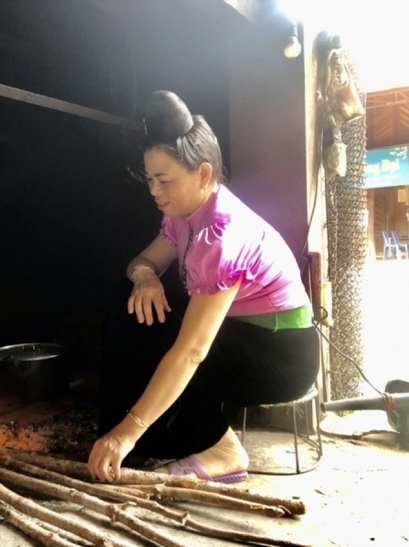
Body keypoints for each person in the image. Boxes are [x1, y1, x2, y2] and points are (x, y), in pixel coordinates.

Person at [87, 90, 320, 483]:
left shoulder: (220, 235)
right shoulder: (183, 212)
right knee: (130, 304)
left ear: (204, 174)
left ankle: (220, 446)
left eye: (164, 180)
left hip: (281, 358)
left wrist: (127, 432)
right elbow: (142, 263)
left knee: (172, 343)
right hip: (244, 336)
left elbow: (192, 352)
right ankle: (129, 438)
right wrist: (145, 279)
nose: (153, 191)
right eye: (150, 180)